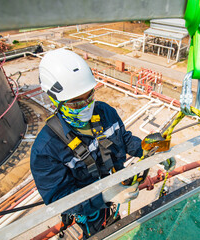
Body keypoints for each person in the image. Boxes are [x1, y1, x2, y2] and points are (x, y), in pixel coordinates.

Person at [30, 49, 145, 238]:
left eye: (89, 96)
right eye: (75, 103)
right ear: (54, 100)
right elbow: (59, 199)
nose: (86, 106)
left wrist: (148, 149)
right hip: (88, 211)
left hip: (114, 189)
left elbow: (123, 139)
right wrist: (105, 196)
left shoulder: (105, 113)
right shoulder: (46, 150)